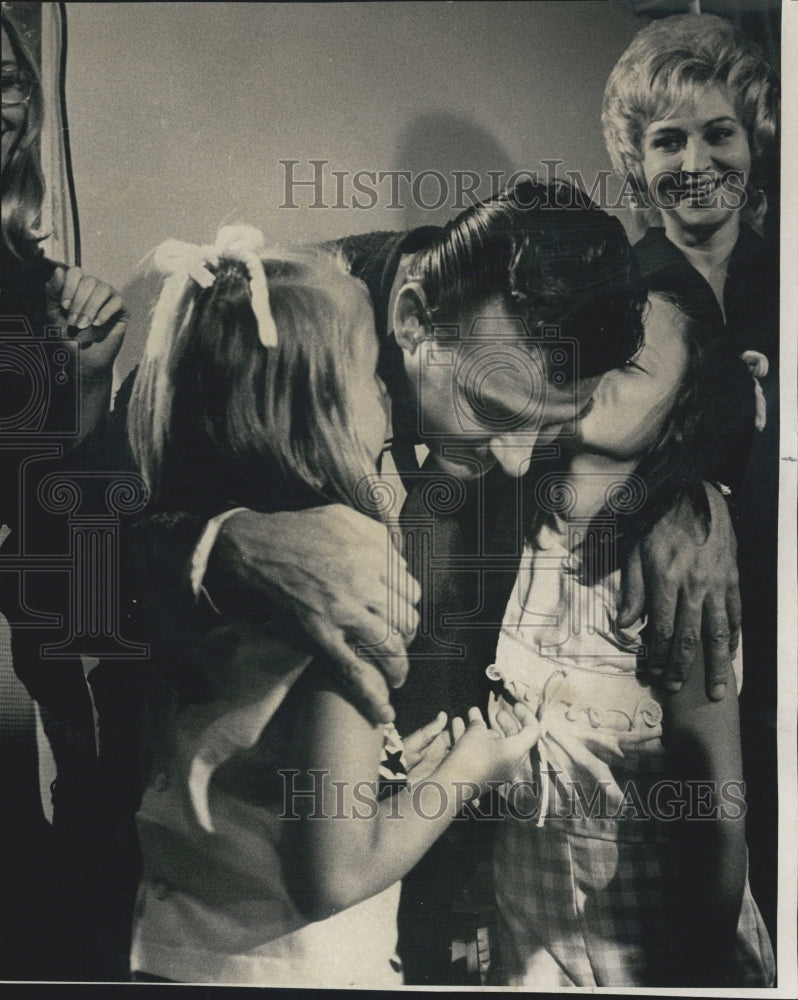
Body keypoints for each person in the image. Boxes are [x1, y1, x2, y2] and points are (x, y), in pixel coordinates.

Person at [117, 178, 746, 983]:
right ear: (412, 319)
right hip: (225, 913)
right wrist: (227, 544)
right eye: (493, 410)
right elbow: (65, 541)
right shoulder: (271, 321)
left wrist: (693, 500)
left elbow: (686, 364)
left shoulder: (557, 318)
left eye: (553, 426)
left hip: (429, 883)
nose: (520, 461)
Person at [123, 228, 542, 987]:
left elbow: (256, 762)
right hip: (303, 966)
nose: (386, 391)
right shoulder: (346, 580)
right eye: (371, 376)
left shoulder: (232, 567)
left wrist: (383, 773)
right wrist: (470, 769)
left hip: (173, 946)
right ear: (322, 411)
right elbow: (333, 878)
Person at [485, 292, 775, 987]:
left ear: (680, 413)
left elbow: (718, 819)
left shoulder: (674, 575)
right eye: (598, 344)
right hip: (530, 953)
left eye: (632, 362)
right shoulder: (512, 528)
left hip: (654, 956)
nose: (599, 367)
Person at [601, 10, 780, 940]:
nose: (697, 161)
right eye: (668, 140)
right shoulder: (613, 296)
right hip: (680, 654)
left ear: (756, 141)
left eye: (720, 132)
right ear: (638, 162)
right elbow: (560, 463)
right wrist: (682, 494)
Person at [0, 6, 129, 980]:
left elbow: (59, 494)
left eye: (5, 81)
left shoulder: (32, 279)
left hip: (35, 656)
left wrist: (89, 373)